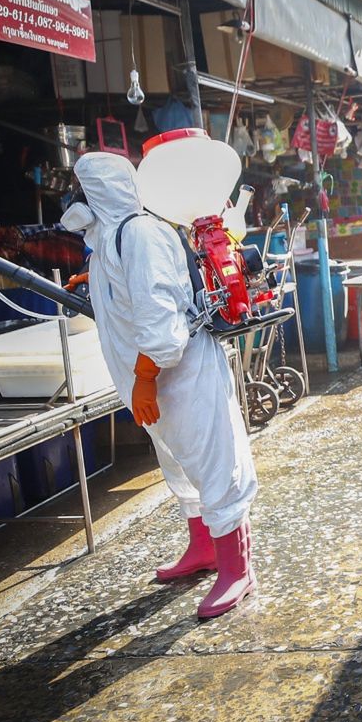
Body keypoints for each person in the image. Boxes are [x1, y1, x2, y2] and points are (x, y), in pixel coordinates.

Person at [60, 152, 258, 620]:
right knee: (180, 466)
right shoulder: (112, 236)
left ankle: (238, 569)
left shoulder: (140, 234)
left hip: (180, 376)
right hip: (152, 382)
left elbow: (163, 323)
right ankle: (203, 550)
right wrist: (98, 279)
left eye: (80, 188)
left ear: (100, 193)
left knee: (214, 464)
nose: (73, 199)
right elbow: (138, 288)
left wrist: (146, 380)